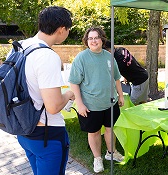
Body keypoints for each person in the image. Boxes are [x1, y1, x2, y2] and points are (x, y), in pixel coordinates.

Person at [15, 6, 75, 175]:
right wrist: (70, 94)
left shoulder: (22, 46)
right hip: (46, 134)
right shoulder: (46, 56)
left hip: (23, 129)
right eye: (68, 29)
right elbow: (53, 106)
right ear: (62, 29)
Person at [69, 26, 125, 173]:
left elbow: (117, 78)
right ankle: (97, 158)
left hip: (110, 102)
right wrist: (79, 104)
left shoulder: (109, 57)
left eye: (96, 37)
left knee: (110, 129)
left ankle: (111, 153)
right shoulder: (81, 58)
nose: (94, 41)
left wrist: (120, 95)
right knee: (93, 132)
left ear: (102, 39)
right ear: (86, 41)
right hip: (90, 105)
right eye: (90, 38)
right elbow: (74, 82)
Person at [104, 41, 150, 105]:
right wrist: (126, 76)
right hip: (142, 75)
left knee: (133, 103)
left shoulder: (117, 61)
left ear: (109, 51)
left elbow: (114, 78)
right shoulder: (121, 49)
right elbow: (129, 62)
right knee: (142, 101)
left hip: (140, 81)